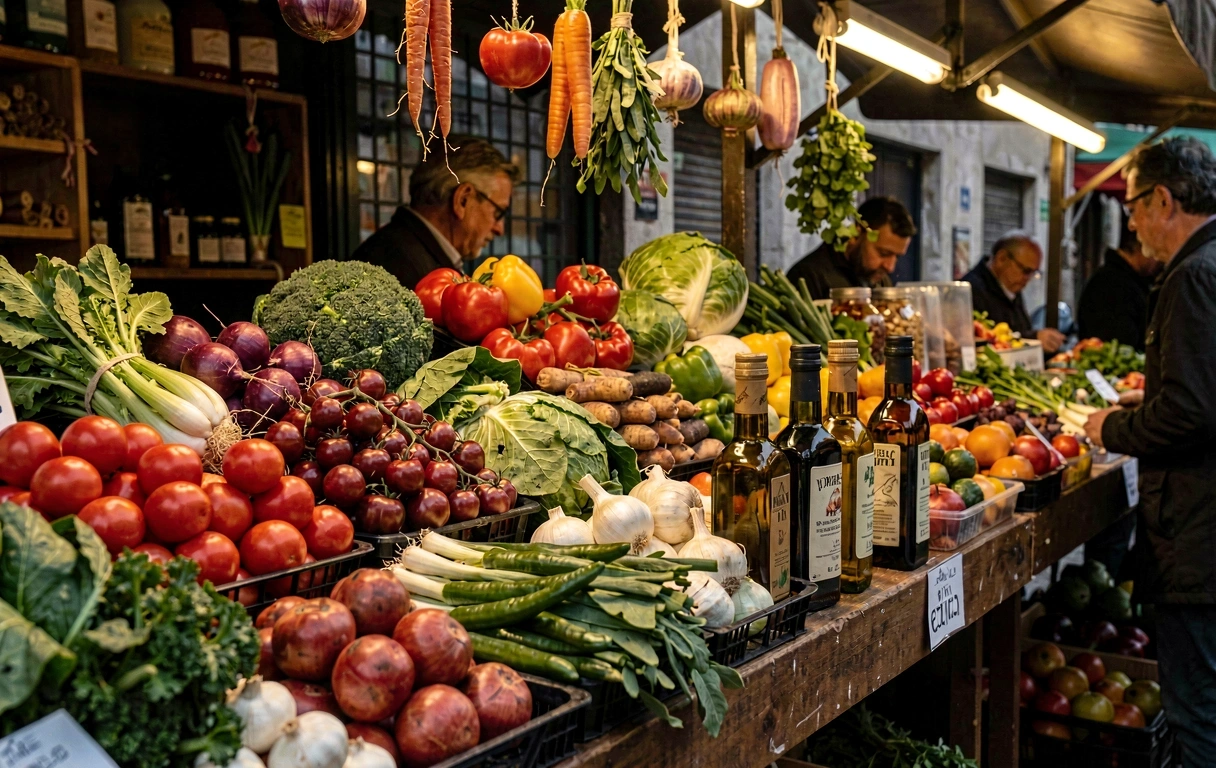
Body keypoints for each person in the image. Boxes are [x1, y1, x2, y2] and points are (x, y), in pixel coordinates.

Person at [1083, 137, 1216, 767]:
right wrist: (1151, 404)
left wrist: (1112, 429)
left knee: (1198, 715)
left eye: (1133, 207)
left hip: (1199, 538)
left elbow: (1192, 413)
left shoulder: (1192, 276)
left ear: (1164, 198)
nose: (1131, 224)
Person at [350, 136, 519, 289]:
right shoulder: (406, 271)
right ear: (463, 200)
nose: (500, 229)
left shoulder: (401, 249)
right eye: (498, 213)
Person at [786, 196, 916, 299]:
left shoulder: (881, 279)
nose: (890, 267)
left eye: (897, 256)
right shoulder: (808, 277)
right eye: (883, 253)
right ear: (856, 233)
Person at [961, 233, 1066, 354]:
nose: (1028, 278)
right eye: (1026, 271)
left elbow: (1019, 329)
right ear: (1002, 258)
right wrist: (1033, 338)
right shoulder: (970, 291)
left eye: (1033, 273)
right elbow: (982, 342)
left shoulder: (1011, 288)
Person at [1076, 227, 1161, 351]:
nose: (1158, 259)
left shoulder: (1131, 280)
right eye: (1153, 251)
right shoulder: (1111, 284)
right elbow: (1118, 344)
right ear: (1138, 247)